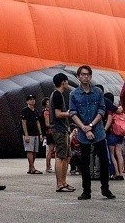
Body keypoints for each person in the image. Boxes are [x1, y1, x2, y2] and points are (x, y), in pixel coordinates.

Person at [69, 64, 115, 201]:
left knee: (104, 161)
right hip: (83, 133)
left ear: (91, 76)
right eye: (82, 74)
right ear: (78, 77)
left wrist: (90, 125)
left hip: (98, 131)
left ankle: (105, 189)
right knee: (85, 163)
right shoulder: (74, 94)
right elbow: (73, 113)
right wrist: (83, 128)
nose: (85, 77)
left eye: (88, 74)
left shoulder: (98, 92)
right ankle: (86, 191)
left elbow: (102, 110)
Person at [49, 73, 75, 193]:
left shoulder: (56, 95)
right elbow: (58, 114)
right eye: (67, 81)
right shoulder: (58, 95)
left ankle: (64, 182)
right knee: (60, 156)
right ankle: (60, 184)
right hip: (59, 129)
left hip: (63, 129)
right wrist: (70, 113)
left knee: (67, 155)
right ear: (63, 82)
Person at [21, 94, 43, 174]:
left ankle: (31, 167)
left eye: (33, 99)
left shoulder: (36, 111)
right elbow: (23, 122)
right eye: (30, 99)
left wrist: (40, 134)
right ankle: (32, 167)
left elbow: (38, 123)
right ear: (27, 101)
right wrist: (26, 134)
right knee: (29, 150)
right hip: (29, 134)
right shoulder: (25, 110)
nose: (32, 100)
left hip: (35, 133)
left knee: (34, 151)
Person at [107, 104, 125, 180]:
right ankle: (121, 173)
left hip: (112, 135)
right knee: (119, 153)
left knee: (112, 154)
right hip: (121, 135)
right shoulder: (123, 113)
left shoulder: (113, 112)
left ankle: (116, 173)